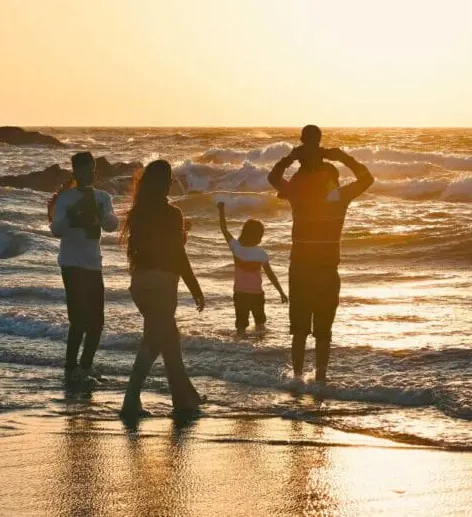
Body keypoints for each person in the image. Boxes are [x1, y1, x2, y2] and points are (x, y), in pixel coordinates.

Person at [268, 126, 374, 384]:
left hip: (300, 269)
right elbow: (367, 179)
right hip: (327, 271)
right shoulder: (338, 197)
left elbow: (273, 177)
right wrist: (343, 157)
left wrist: (291, 157)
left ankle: (296, 379)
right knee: (323, 333)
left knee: (300, 332)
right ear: (332, 178)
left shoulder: (297, 193)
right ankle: (321, 380)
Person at [119, 160, 205, 417]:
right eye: (170, 180)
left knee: (169, 338)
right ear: (166, 183)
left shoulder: (138, 213)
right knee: (155, 340)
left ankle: (184, 398)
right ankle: (130, 400)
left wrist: (180, 234)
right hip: (162, 284)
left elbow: (146, 249)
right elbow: (177, 255)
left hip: (140, 283)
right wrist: (195, 288)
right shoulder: (172, 214)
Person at [49, 151, 120, 382]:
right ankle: (71, 368)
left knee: (97, 322)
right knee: (78, 321)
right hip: (71, 263)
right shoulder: (65, 198)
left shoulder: (103, 197)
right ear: (75, 172)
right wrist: (74, 214)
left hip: (93, 263)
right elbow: (56, 230)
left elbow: (112, 225)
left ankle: (85, 365)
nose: (88, 174)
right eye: (83, 170)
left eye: (92, 170)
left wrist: (102, 215)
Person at [216, 201, 288, 335]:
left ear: (244, 232)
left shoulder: (236, 248)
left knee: (241, 325)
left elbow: (224, 229)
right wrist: (281, 292)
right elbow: (271, 275)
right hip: (257, 294)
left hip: (240, 293)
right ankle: (260, 345)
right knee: (260, 324)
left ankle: (239, 343)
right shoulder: (261, 254)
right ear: (260, 237)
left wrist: (221, 210)